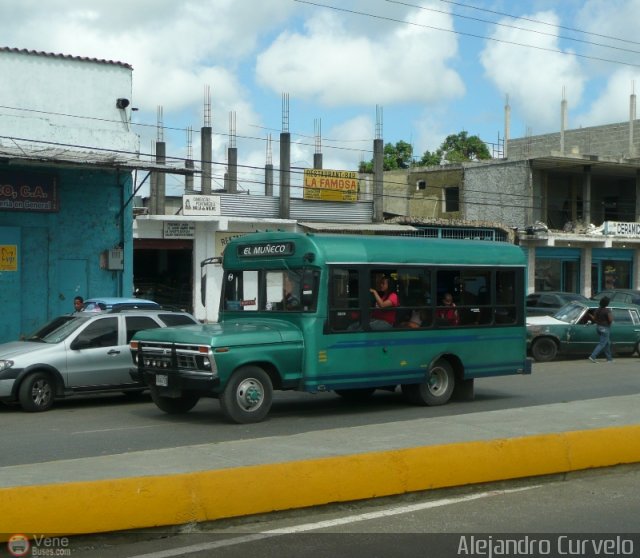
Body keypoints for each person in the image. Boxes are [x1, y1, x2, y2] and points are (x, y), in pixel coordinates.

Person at [589, 297, 613, 363]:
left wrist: (589, 315)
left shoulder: (597, 310)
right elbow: (610, 320)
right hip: (605, 328)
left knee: (607, 343)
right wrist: (610, 321)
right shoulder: (607, 310)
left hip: (598, 327)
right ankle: (592, 356)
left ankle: (609, 359)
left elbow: (594, 318)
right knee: (602, 344)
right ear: (607, 303)